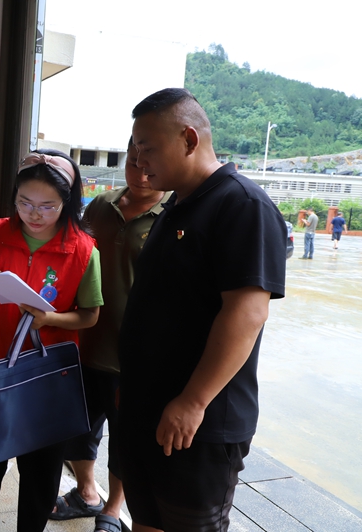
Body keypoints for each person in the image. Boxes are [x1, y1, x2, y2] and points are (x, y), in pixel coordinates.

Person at [118, 88, 286, 532]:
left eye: (147, 148)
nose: (139, 161)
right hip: (148, 411)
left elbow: (247, 314)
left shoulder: (241, 205)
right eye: (136, 149)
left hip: (197, 423)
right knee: (147, 521)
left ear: (189, 139)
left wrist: (193, 401)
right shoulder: (175, 206)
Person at [0, 149, 103, 532]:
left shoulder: (82, 249)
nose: (34, 214)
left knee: (41, 468)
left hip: (48, 376)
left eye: (48, 206)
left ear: (67, 202)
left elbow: (90, 315)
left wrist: (50, 319)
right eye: (24, 202)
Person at [50, 138, 170, 532]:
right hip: (84, 340)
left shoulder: (172, 214)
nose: (140, 174)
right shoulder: (101, 206)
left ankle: (114, 509)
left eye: (148, 166)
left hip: (132, 355)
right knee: (78, 427)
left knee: (125, 438)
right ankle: (87, 492)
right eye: (133, 163)